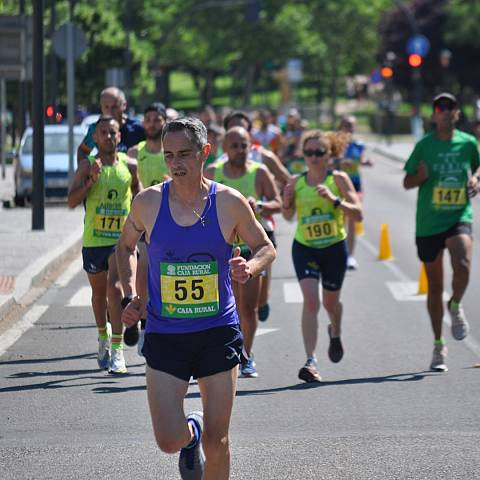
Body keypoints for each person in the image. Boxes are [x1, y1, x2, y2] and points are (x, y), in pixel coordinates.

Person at [116, 117, 276, 479]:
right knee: (168, 440)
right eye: (170, 155)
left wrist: (249, 268)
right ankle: (192, 433)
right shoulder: (148, 203)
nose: (176, 163)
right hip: (165, 333)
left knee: (218, 442)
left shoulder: (229, 203)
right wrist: (132, 295)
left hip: (216, 330)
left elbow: (265, 246)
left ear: (205, 152)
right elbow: (125, 246)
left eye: (185, 154)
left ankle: (204, 438)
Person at [403, 92, 480, 372]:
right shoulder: (424, 146)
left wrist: (476, 179)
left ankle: (456, 304)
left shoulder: (468, 143)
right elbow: (407, 181)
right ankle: (438, 345)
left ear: (457, 113)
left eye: (451, 107)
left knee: (463, 263)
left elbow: (478, 166)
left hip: (458, 215)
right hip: (428, 223)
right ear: (434, 114)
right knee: (434, 287)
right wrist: (420, 177)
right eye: (440, 107)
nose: (446, 111)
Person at [282, 130, 362, 382]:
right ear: (303, 155)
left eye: (319, 152)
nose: (313, 157)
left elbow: (358, 214)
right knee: (311, 301)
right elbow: (287, 217)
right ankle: (311, 361)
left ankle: (335, 330)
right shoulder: (297, 182)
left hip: (333, 248)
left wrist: (336, 201)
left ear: (330, 155)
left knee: (329, 304)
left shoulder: (338, 179)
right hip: (305, 247)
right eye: (309, 152)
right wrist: (286, 201)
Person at [204, 126, 281, 377]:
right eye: (234, 145)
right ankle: (222, 353)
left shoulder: (259, 172)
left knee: (248, 308)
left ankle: (246, 355)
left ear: (251, 146)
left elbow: (278, 203)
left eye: (244, 145)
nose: (239, 150)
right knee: (221, 306)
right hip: (219, 250)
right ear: (225, 148)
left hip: (250, 249)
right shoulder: (213, 172)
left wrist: (258, 205)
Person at [68, 117, 141, 374]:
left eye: (113, 132)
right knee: (99, 294)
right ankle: (103, 336)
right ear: (95, 138)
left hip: (120, 241)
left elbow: (139, 194)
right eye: (103, 133)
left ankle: (118, 352)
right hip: (93, 240)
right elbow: (71, 201)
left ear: (119, 137)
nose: (109, 137)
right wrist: (91, 180)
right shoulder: (86, 166)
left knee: (115, 288)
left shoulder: (129, 165)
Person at [223, 111, 291, 322]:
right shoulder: (218, 162)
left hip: (262, 228)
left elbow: (288, 181)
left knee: (258, 298)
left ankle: (261, 302)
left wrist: (266, 201)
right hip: (229, 235)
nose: (239, 148)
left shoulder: (263, 157)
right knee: (234, 298)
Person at [125, 102, 169, 353]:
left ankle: (165, 322)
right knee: (143, 268)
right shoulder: (134, 152)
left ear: (164, 122)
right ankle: (144, 324)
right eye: (148, 119)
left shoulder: (171, 153)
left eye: (156, 119)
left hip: (168, 220)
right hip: (143, 220)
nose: (152, 123)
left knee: (163, 273)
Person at [337, 115, 373, 270]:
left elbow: (361, 159)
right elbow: (327, 162)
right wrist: (339, 162)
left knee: (352, 221)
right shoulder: (335, 145)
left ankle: (350, 256)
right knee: (339, 221)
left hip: (355, 186)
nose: (349, 129)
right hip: (338, 187)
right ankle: (339, 254)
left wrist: (366, 162)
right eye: (346, 125)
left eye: (351, 126)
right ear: (340, 127)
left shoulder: (359, 145)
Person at [77, 87, 145, 163]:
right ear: (101, 107)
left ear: (124, 105)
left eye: (114, 107)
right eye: (106, 107)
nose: (110, 112)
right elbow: (83, 150)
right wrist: (87, 171)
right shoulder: (96, 128)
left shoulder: (137, 128)